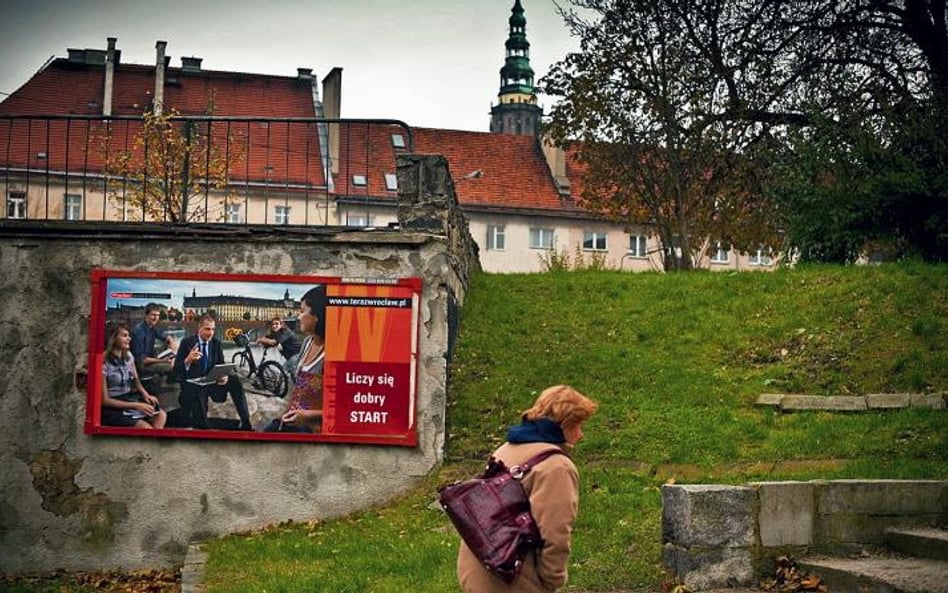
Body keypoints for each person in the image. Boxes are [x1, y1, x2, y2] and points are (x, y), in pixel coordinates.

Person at [457, 385, 598, 593]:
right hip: (512, 578)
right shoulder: (556, 466)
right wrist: (551, 581)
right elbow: (555, 533)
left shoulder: (507, 448)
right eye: (578, 425)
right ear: (564, 425)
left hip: (478, 564)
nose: (580, 434)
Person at [262, 285, 327, 433]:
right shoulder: (307, 342)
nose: (298, 317)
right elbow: (300, 389)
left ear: (318, 316)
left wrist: (309, 416)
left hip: (313, 428)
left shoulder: (335, 353)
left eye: (303, 311)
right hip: (294, 420)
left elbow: (349, 410)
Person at [173, 313, 253, 431]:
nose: (210, 332)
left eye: (213, 329)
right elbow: (176, 371)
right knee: (200, 419)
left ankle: (246, 424)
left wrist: (224, 376)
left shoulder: (216, 343)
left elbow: (220, 364)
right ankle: (204, 427)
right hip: (193, 385)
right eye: (207, 329)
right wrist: (187, 360)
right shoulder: (186, 342)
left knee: (235, 380)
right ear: (199, 329)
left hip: (210, 382)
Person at [101, 322, 167, 429]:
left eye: (129, 336)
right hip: (112, 406)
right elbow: (105, 401)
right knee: (145, 428)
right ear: (113, 338)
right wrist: (137, 405)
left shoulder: (128, 356)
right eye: (124, 336)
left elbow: (136, 382)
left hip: (128, 399)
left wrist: (146, 395)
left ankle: (151, 444)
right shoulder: (103, 362)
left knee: (161, 415)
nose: (129, 339)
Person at [130, 302, 178, 379]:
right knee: (171, 367)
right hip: (142, 366)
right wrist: (162, 361)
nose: (156, 318)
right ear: (146, 315)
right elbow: (141, 360)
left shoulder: (151, 328)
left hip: (151, 360)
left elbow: (163, 336)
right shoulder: (138, 332)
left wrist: (170, 340)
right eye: (153, 315)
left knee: (175, 361)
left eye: (158, 315)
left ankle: (167, 384)